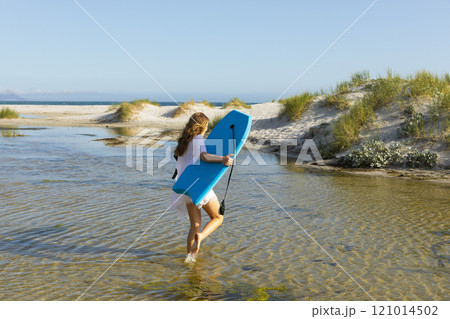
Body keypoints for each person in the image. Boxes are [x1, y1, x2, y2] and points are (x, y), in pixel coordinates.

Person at [171, 112, 233, 263]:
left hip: (185, 186)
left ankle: (190, 259)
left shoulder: (183, 142)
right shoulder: (198, 138)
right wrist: (222, 159)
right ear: (202, 126)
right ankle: (202, 236)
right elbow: (204, 156)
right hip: (199, 185)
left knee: (194, 225)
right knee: (218, 217)